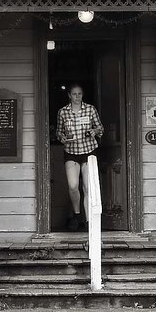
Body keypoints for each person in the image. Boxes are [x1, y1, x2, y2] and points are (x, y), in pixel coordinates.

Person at [55, 84, 103, 231]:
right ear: (69, 95)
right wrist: (62, 138)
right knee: (73, 186)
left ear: (82, 95)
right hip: (71, 151)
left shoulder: (90, 109)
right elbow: (59, 132)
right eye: (74, 94)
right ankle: (77, 214)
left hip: (89, 150)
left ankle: (89, 221)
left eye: (80, 94)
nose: (77, 97)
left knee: (88, 187)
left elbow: (100, 127)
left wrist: (94, 131)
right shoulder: (63, 112)